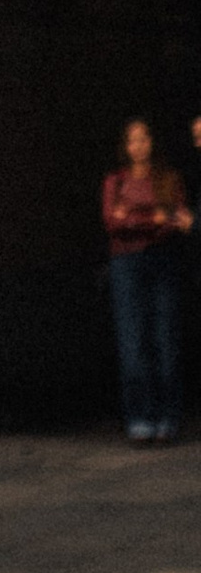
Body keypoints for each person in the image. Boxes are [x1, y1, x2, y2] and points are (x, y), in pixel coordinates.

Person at [103, 118, 190, 442]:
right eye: (132, 140)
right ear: (125, 147)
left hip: (162, 261)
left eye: (144, 139)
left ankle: (168, 417)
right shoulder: (115, 181)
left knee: (164, 340)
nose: (139, 146)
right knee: (133, 342)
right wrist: (151, 217)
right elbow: (112, 223)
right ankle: (140, 418)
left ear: (153, 142)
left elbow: (174, 221)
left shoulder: (167, 179)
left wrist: (133, 217)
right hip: (126, 263)